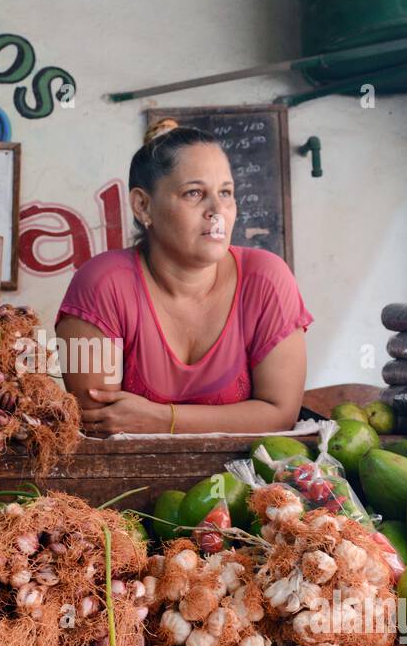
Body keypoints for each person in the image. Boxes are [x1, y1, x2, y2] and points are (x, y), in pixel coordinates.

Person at [55, 119, 311, 435]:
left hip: (247, 481)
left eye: (226, 193)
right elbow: (100, 421)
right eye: (194, 193)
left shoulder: (267, 279)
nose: (217, 210)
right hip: (124, 481)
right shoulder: (100, 284)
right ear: (143, 206)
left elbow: (280, 413)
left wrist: (164, 419)